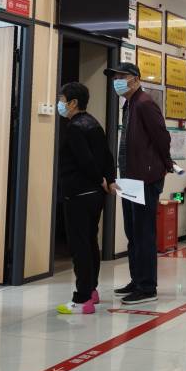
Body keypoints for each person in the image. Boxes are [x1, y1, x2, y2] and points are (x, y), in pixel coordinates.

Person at [104, 62, 173, 305]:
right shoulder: (129, 104)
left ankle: (147, 287)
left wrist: (165, 164)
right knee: (133, 232)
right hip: (129, 178)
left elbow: (162, 137)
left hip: (145, 178)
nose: (117, 81)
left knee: (144, 233)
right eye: (115, 77)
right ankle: (137, 280)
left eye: (121, 77)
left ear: (135, 79)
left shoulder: (144, 103)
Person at [55, 81, 115, 316]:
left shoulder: (74, 127)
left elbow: (85, 160)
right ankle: (92, 290)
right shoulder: (93, 123)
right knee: (90, 242)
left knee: (79, 246)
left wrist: (99, 178)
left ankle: (82, 299)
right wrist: (108, 180)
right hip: (94, 196)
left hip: (79, 194)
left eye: (62, 100)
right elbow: (107, 156)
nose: (60, 104)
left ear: (73, 103)